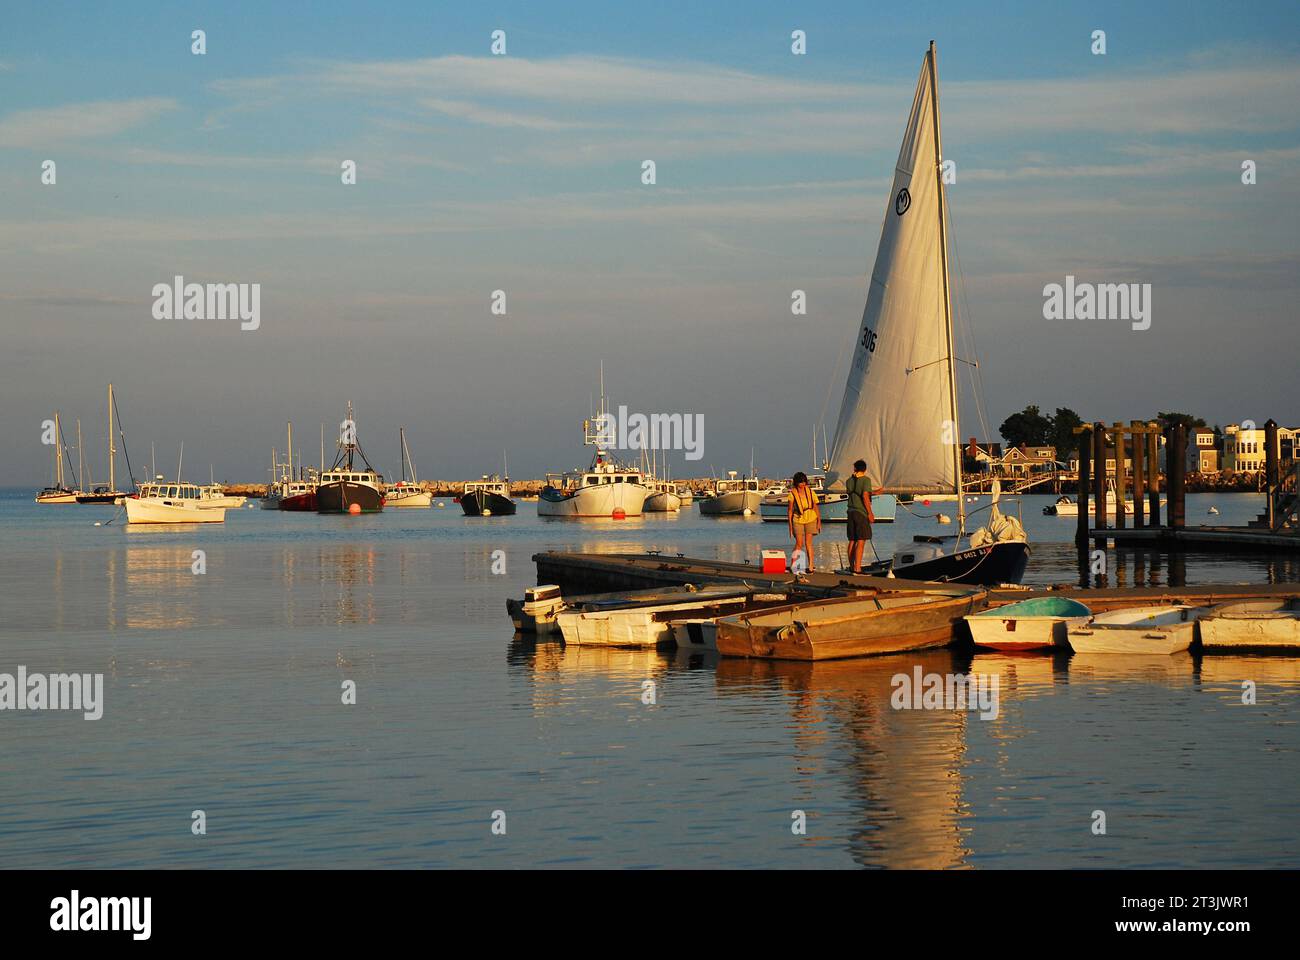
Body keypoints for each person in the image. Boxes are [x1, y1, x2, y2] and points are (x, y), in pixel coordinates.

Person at [844, 459, 876, 574]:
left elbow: (855, 493)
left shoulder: (848, 481)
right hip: (860, 513)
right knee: (861, 540)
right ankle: (858, 568)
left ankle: (852, 567)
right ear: (865, 469)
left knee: (852, 540)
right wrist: (870, 513)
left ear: (855, 468)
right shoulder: (866, 480)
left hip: (850, 512)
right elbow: (865, 496)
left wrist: (876, 492)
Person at [787, 471, 820, 573]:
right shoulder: (792, 494)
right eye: (801, 482)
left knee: (808, 543)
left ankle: (810, 566)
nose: (803, 484)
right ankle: (794, 565)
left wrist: (819, 521)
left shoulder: (811, 492)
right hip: (798, 519)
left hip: (811, 518)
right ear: (796, 483)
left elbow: (816, 507)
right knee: (799, 543)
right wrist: (790, 527)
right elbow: (790, 511)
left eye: (804, 482)